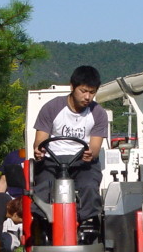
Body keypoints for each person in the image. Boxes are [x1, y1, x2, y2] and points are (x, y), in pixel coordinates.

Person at [32, 65, 108, 231]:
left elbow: (95, 145)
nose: (87, 97)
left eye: (92, 92)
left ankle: (87, 223)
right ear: (72, 87)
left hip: (81, 161)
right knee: (43, 185)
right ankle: (42, 222)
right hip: (53, 158)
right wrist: (39, 149)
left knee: (89, 184)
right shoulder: (52, 108)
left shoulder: (98, 113)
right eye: (83, 91)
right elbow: (40, 139)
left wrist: (91, 153)